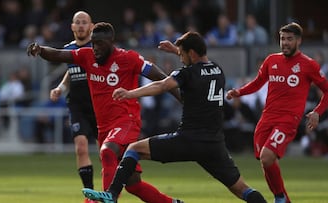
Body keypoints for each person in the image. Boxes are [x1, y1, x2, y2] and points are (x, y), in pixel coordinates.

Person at [81, 31, 267, 203]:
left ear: (191, 53)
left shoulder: (187, 73)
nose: (181, 58)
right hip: (214, 145)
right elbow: (197, 70)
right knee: (242, 189)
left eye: (182, 54)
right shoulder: (218, 71)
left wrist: (130, 94)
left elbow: (162, 85)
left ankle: (112, 194)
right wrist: (177, 50)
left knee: (134, 149)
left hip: (188, 140)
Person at [27, 22, 182, 203]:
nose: (95, 48)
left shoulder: (128, 58)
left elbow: (160, 77)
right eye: (93, 43)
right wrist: (41, 50)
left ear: (111, 42)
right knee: (133, 185)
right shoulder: (86, 56)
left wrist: (180, 96)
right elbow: (60, 54)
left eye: (99, 44)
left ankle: (108, 199)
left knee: (107, 151)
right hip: (104, 127)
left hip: (127, 121)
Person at [226, 22, 328, 203]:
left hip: (288, 119)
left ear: (299, 41)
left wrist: (317, 112)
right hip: (266, 118)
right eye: (282, 39)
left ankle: (279, 197)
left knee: (267, 157)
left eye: (290, 39)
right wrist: (239, 92)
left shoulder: (308, 65)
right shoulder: (271, 60)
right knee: (267, 162)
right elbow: (258, 82)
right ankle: (284, 199)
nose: (285, 43)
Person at [48, 11, 98, 203]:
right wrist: (60, 88)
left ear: (91, 26)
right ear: (72, 26)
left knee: (105, 151)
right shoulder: (68, 50)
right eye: (77, 22)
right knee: (81, 148)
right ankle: (90, 195)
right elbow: (71, 71)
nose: (81, 26)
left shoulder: (97, 48)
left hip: (98, 105)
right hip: (77, 105)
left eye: (84, 22)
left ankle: (110, 191)